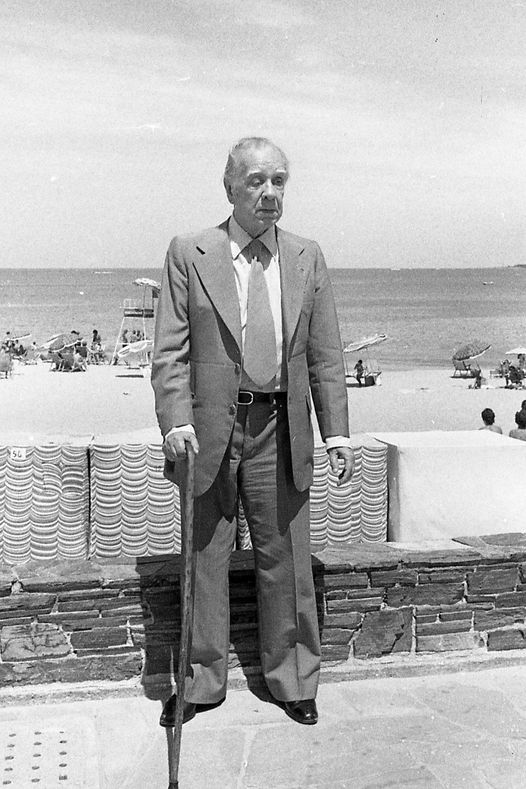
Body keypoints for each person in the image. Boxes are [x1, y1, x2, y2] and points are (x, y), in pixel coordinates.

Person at [151, 136, 354, 729]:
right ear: (230, 188)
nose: (269, 193)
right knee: (203, 559)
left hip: (280, 427)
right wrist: (176, 421)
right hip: (208, 431)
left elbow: (326, 354)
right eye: (256, 181)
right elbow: (169, 350)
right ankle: (199, 682)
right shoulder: (190, 252)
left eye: (279, 181)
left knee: (286, 562)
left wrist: (337, 434)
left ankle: (294, 679)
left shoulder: (307, 256)